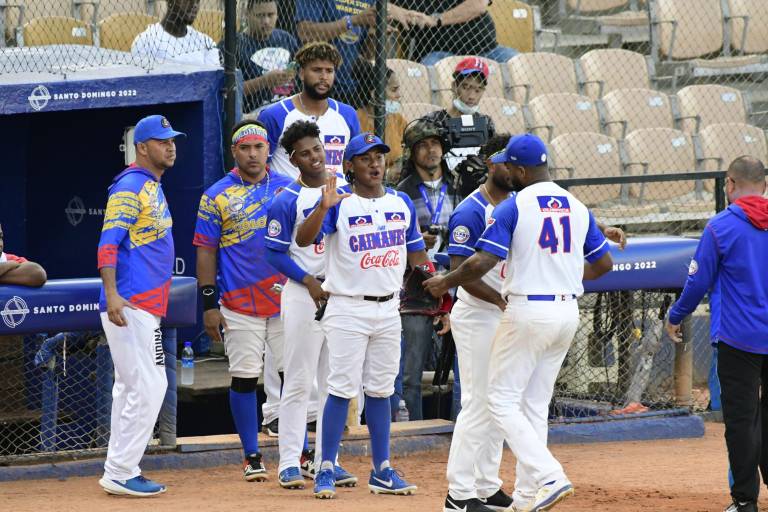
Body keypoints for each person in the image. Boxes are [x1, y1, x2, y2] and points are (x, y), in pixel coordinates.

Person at [425, 134, 613, 512]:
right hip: (564, 311)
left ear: (522, 169)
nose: (507, 170)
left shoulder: (516, 205)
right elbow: (604, 264)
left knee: (498, 400)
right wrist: (566, 276)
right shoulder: (576, 205)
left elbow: (481, 263)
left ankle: (547, 476)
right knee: (531, 404)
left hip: (526, 310)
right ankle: (525, 495)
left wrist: (444, 282)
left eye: (511, 165)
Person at [296, 133, 429, 499]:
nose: (375, 163)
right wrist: (322, 208)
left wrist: (438, 288)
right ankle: (326, 466)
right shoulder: (339, 203)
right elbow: (304, 240)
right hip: (347, 307)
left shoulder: (401, 202)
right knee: (339, 388)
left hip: (389, 307)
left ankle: (382, 469)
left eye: (380, 157)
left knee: (382, 391)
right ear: (350, 165)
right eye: (365, 157)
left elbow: (417, 257)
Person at [665, 156, 768, 512]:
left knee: (741, 421)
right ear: (765, 186)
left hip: (738, 338)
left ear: (730, 185)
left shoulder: (720, 227)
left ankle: (744, 501)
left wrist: (676, 314)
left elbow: (698, 281)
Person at [193, 120, 292, 482]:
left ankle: (297, 450)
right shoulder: (216, 195)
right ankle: (252, 454)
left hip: (285, 299)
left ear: (269, 150)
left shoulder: (288, 188)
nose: (253, 154)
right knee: (244, 379)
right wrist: (208, 305)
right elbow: (205, 253)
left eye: (259, 148)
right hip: (239, 301)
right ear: (234, 152)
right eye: (245, 148)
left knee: (292, 377)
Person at [96, 114, 185, 497]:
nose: (170, 146)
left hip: (144, 303)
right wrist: (113, 294)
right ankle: (120, 471)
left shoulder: (151, 184)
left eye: (172, 140)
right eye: (162, 141)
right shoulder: (131, 186)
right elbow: (107, 243)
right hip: (129, 302)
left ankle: (120, 467)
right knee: (147, 385)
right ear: (142, 147)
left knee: (136, 385)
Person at [265, 120, 356, 490]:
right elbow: (274, 254)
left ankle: (326, 462)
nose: (314, 156)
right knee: (300, 380)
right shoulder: (286, 198)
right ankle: (289, 461)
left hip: (340, 295)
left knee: (333, 383)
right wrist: (307, 281)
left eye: (317, 148)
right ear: (293, 158)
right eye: (305, 152)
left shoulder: (348, 191)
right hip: (303, 293)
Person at [396, 119, 462, 421]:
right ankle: (414, 429)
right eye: (422, 144)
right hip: (417, 288)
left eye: (435, 143)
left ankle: (460, 428)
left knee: (464, 372)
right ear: (412, 153)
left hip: (458, 282)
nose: (431, 150)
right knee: (410, 371)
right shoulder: (400, 192)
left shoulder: (460, 185)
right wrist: (411, 240)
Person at [295, 1, 434, 107]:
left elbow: (367, 55)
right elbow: (305, 33)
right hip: (316, 82)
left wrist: (376, 35)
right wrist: (353, 21)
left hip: (352, 86)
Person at [258, 42, 360, 180]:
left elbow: (353, 163)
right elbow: (259, 167)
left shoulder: (347, 115)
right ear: (301, 73)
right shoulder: (275, 114)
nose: (324, 76)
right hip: (290, 199)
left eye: (329, 71)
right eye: (317, 70)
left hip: (334, 198)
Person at [423, 57, 496, 171]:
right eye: (466, 87)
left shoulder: (486, 124)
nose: (472, 96)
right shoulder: (433, 121)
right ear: (454, 86)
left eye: (478, 90)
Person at [391, 0, 517, 66]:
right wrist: (404, 14)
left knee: (521, 66)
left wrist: (436, 20)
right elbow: (378, 5)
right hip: (437, 54)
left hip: (487, 50)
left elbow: (478, 4)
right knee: (426, 77)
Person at [228, 0, 299, 113]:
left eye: (270, 15)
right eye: (260, 15)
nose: (266, 21)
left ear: (277, 15)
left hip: (289, 108)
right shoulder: (233, 45)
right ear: (247, 15)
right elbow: (228, 90)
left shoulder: (286, 39)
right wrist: (264, 81)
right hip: (252, 114)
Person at [351, 59, 408, 174]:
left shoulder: (398, 120)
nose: (399, 95)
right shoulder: (355, 119)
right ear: (375, 93)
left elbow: (408, 152)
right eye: (394, 90)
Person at [131, 0, 220, 66]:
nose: (194, 5)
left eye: (197, 1)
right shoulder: (145, 41)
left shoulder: (206, 43)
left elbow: (212, 83)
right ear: (171, 2)